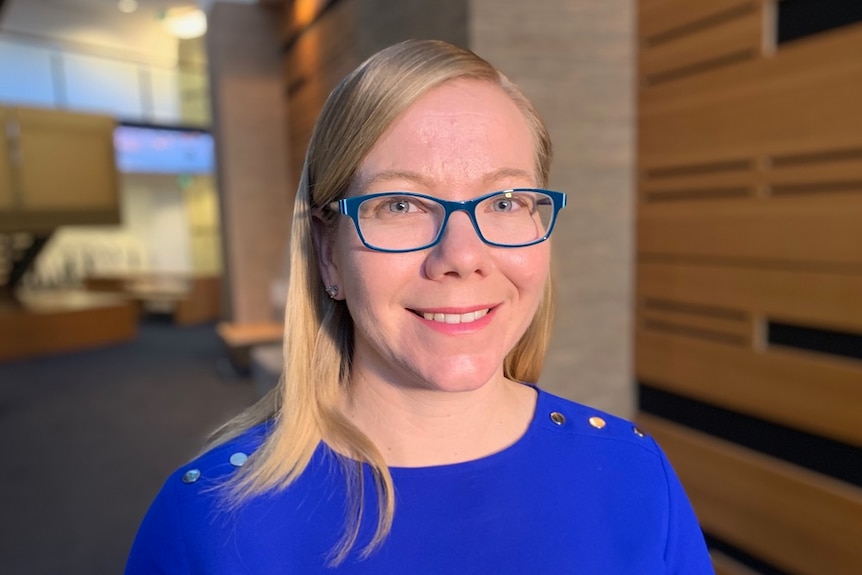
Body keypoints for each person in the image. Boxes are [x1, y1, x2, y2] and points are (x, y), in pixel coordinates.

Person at [125, 39, 715, 574]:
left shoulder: (635, 475)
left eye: (505, 200)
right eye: (401, 205)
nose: (463, 255)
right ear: (328, 253)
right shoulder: (205, 523)